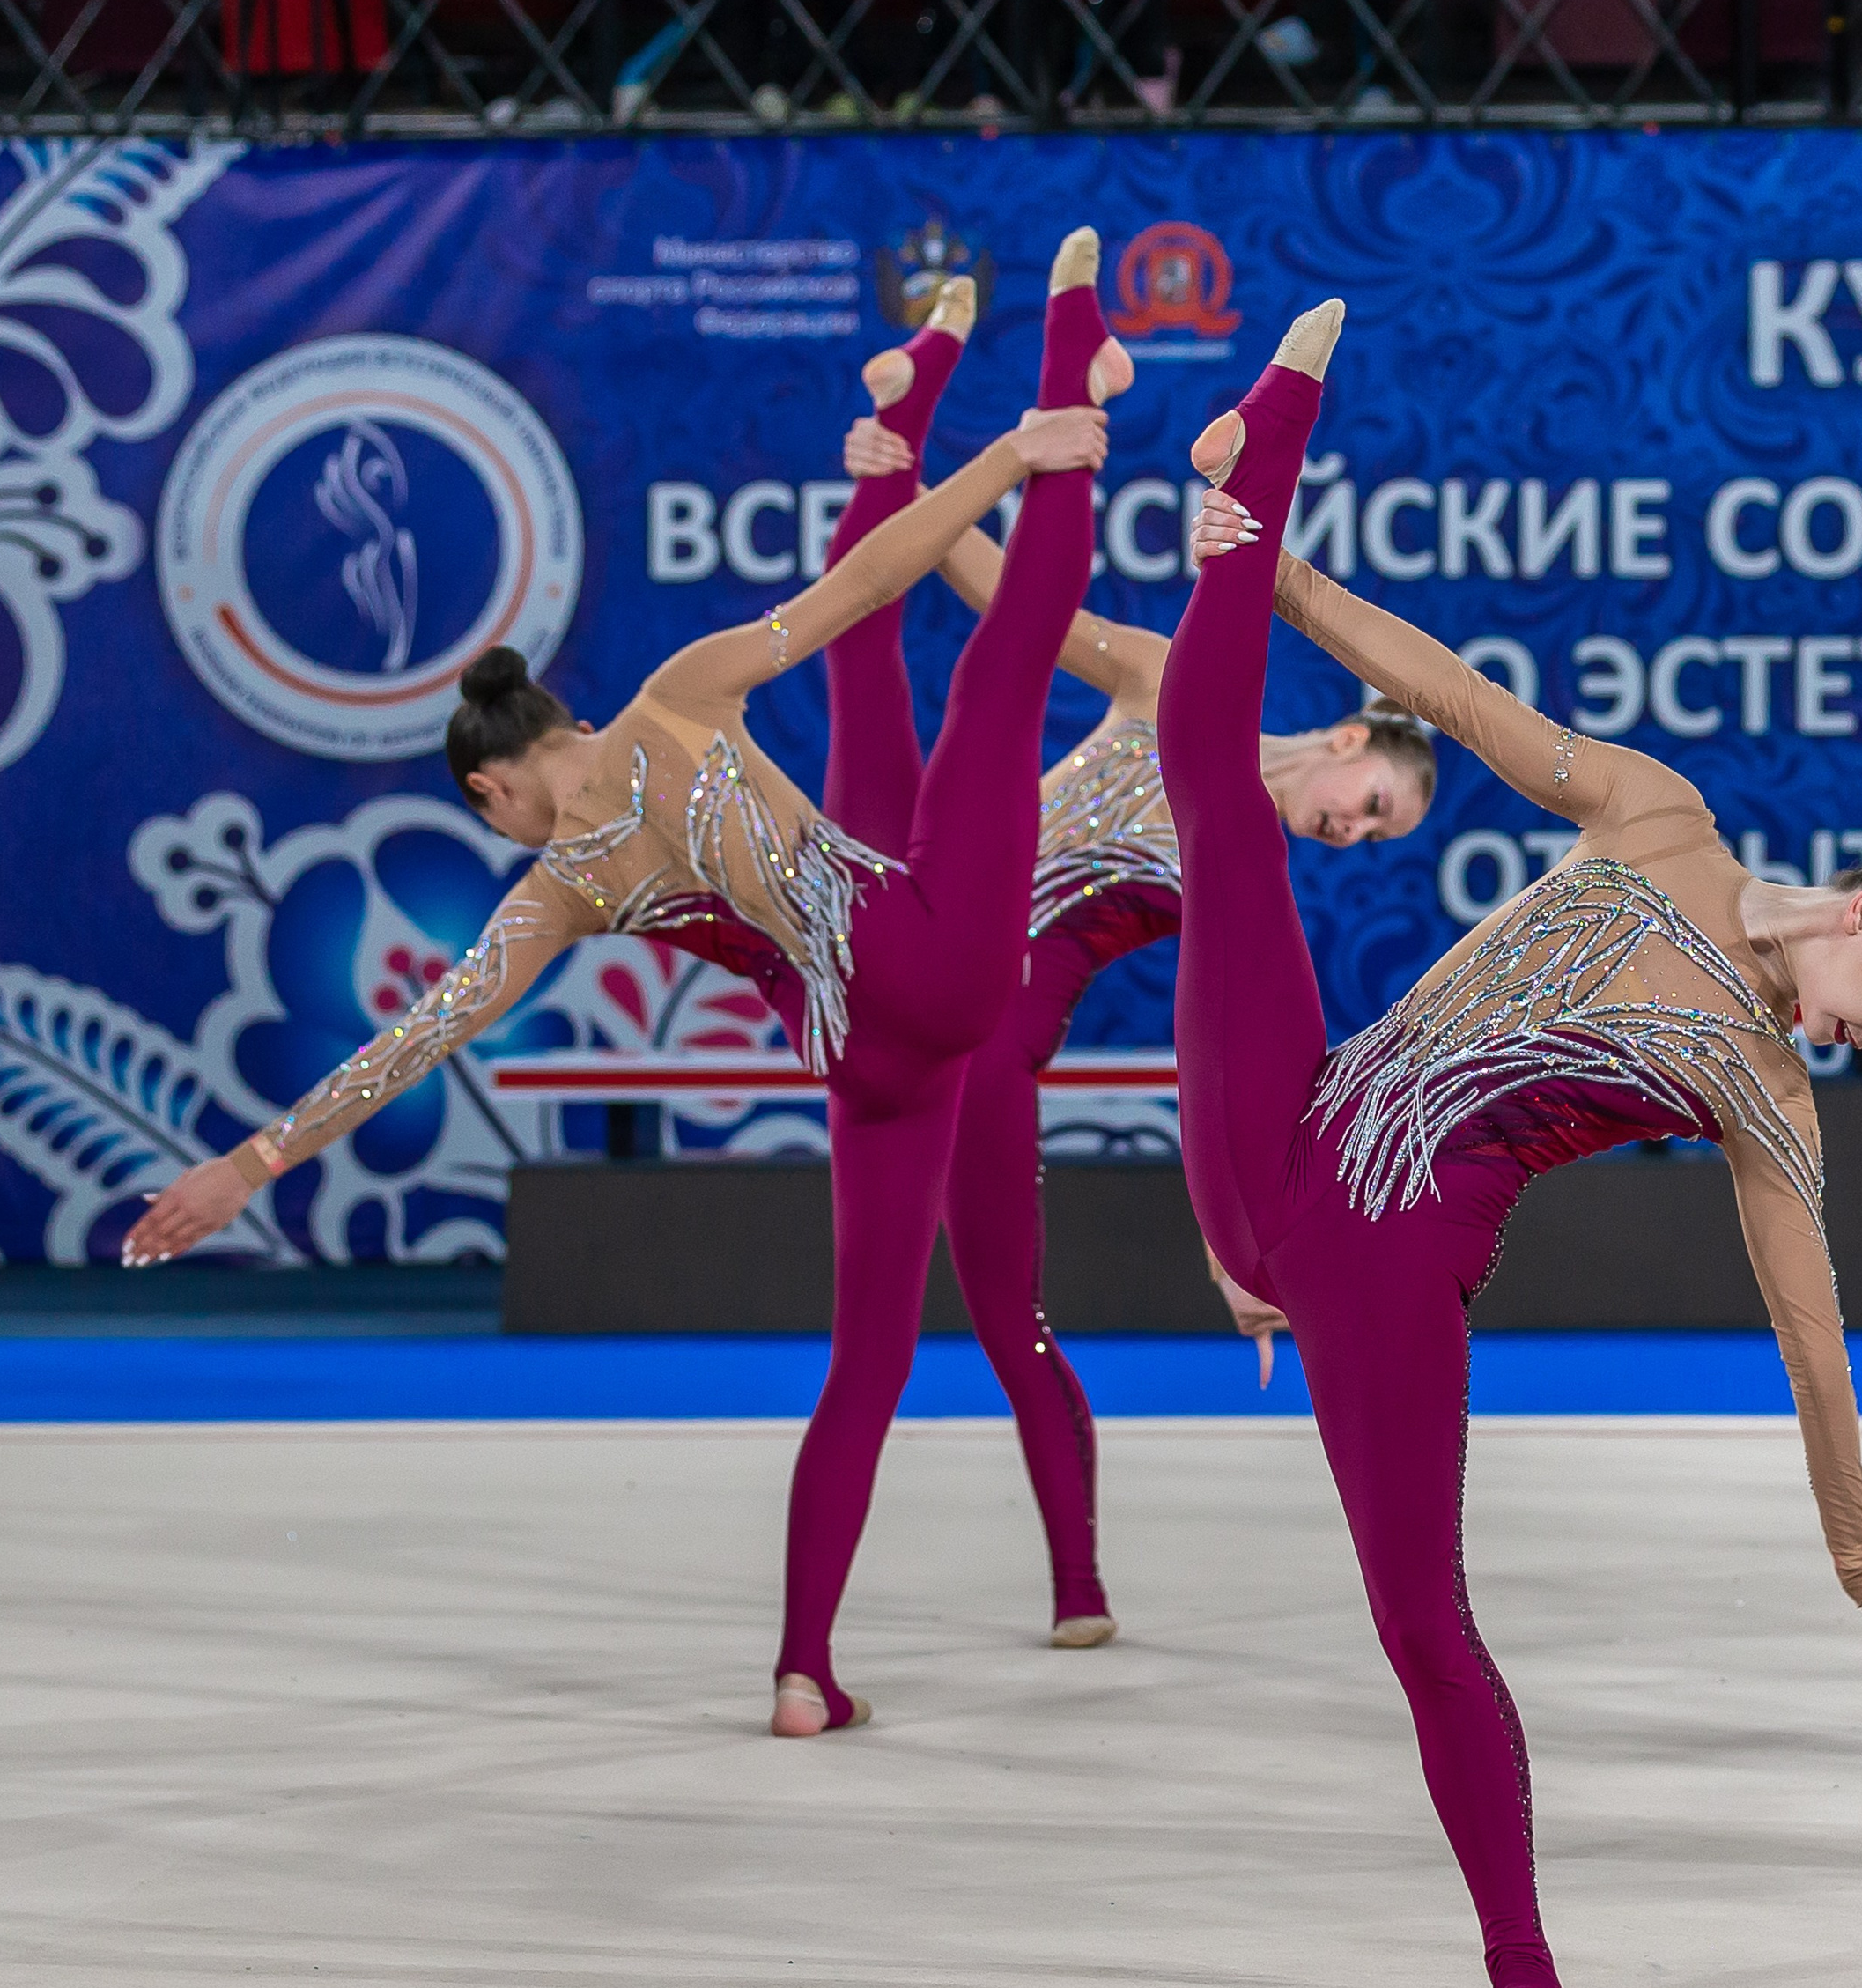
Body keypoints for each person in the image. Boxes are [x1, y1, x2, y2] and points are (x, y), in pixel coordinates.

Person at [122, 233, 1126, 1748]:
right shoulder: (679, 698)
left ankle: (804, 1670)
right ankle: (1059, 369)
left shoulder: (558, 890)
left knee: (865, 1366)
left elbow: (417, 1038)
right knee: (992, 680)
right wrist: (1016, 458)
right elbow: (865, 586)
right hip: (938, 953)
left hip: (866, 1056)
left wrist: (250, 1164)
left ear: (487, 792)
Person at [1163, 299, 1862, 1988]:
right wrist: (1284, 577)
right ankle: (1245, 499)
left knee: (1419, 1615)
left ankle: (1517, 1962)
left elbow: (1812, 1341)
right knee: (1218, 793)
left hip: (1387, 1263)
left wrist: (1855, 1547)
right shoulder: (1653, 813)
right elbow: (1455, 700)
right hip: (1287, 1128)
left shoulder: (1769, 1097)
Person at [838, 406, 1437, 1645]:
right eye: (1372, 804)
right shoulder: (1166, 681)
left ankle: (1078, 1588)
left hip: (993, 1047)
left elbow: (1212, 1051)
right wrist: (923, 486)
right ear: (1344, 737)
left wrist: (1234, 1253)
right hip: (919, 964)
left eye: (1379, 837)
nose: (1358, 834)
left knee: (1010, 1317)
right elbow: (1019, 602)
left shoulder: (1247, 849)